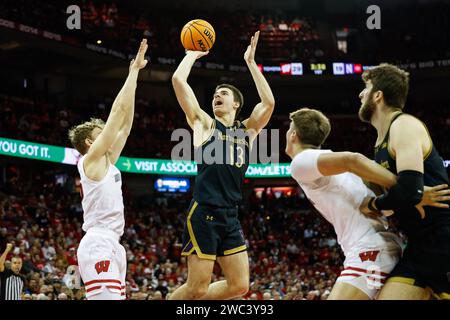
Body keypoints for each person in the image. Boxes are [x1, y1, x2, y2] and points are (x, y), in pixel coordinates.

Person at [286, 108, 449, 300]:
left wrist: (411, 189)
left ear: (293, 134)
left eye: (289, 129)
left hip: (368, 251)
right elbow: (386, 208)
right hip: (382, 247)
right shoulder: (339, 171)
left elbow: (352, 159)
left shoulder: (301, 162)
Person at [169, 31, 275, 300]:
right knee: (197, 288)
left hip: (230, 215)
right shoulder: (204, 124)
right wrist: (191, 55)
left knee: (239, 286)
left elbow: (269, 103)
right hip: (204, 210)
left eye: (224, 93)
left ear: (236, 104)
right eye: (215, 93)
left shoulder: (247, 131)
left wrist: (251, 62)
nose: (217, 95)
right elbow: (178, 81)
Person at [357, 64, 450, 300]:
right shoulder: (379, 143)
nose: (360, 94)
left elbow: (409, 190)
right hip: (419, 245)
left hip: (443, 239)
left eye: (366, 88)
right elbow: (405, 196)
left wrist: (372, 204)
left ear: (378, 95)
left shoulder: (404, 125)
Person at [68, 39, 148, 300]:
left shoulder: (108, 161)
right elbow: (116, 114)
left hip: (114, 242)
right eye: (101, 134)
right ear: (91, 142)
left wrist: (135, 80)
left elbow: (125, 125)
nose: (108, 135)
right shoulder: (89, 161)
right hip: (98, 242)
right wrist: (133, 71)